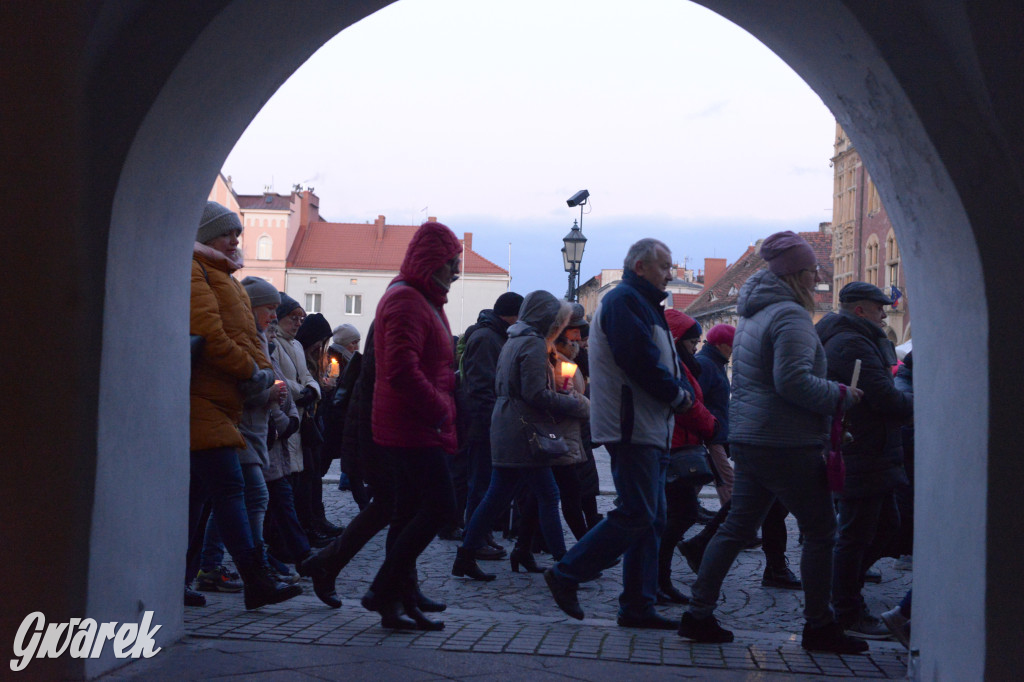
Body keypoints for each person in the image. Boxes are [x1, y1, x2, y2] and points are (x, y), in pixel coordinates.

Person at [677, 230, 865, 654]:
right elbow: (792, 381)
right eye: (813, 272)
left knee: (736, 527)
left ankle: (698, 613)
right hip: (785, 442)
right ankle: (819, 624)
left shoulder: (753, 317)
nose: (818, 279)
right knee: (820, 531)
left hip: (752, 437)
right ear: (798, 274)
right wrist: (840, 395)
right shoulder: (791, 317)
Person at [543, 238, 694, 630]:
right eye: (665, 265)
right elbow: (639, 360)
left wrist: (679, 391)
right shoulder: (626, 300)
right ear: (641, 266)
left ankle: (637, 606)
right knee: (638, 512)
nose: (671, 273)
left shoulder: (644, 304)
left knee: (652, 518)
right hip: (634, 425)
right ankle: (567, 573)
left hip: (650, 425)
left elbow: (658, 359)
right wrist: (676, 394)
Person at [186, 200, 302, 610]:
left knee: (197, 499)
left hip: (223, 403)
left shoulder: (226, 278)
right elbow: (210, 334)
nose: (235, 239)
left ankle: (179, 579)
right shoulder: (198, 272)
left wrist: (262, 370)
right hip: (202, 401)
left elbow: (250, 338)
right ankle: (256, 579)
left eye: (238, 232)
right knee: (232, 489)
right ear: (204, 235)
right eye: (225, 232)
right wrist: (251, 373)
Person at [361, 221, 463, 631]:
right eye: (452, 263)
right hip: (413, 423)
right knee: (440, 507)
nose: (456, 272)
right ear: (432, 262)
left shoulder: (424, 298)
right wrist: (441, 408)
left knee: (407, 513)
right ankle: (384, 590)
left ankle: (397, 601)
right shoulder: (407, 300)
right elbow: (402, 370)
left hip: (416, 421)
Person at [452, 291, 589, 580]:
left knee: (498, 496)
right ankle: (566, 566)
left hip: (509, 425)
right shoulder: (534, 344)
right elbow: (535, 394)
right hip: (524, 430)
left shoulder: (515, 339)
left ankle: (466, 555)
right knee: (548, 495)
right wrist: (574, 403)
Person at [816, 281, 913, 639]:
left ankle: (841, 591)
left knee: (886, 527)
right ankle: (845, 607)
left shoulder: (849, 337)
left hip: (872, 450)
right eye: (879, 307)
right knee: (855, 535)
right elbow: (884, 396)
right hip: (863, 449)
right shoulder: (852, 342)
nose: (885, 312)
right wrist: (918, 407)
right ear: (860, 310)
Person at [456, 291, 524, 558]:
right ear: (513, 315)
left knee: (487, 484)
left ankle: (480, 535)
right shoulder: (486, 338)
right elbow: (482, 387)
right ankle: (474, 540)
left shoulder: (495, 336)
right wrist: (492, 423)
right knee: (480, 484)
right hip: (484, 423)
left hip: (489, 421)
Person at [658, 311, 718, 605]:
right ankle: (658, 580)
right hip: (675, 447)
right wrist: (711, 423)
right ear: (679, 339)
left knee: (676, 515)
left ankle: (658, 579)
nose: (696, 346)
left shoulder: (683, 363)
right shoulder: (675, 365)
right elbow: (687, 404)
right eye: (693, 340)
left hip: (682, 445)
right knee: (679, 514)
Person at [293, 312, 338, 546]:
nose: (322, 346)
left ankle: (317, 520)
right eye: (320, 340)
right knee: (307, 476)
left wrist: (324, 389)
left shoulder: (315, 360)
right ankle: (309, 524)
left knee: (314, 475)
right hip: (303, 425)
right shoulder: (300, 356)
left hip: (313, 423)